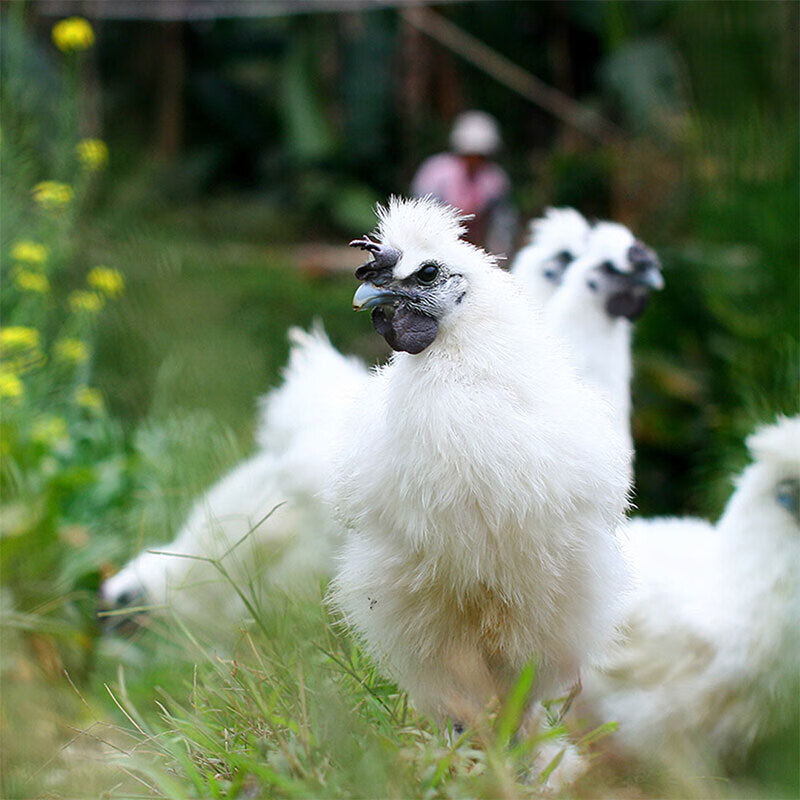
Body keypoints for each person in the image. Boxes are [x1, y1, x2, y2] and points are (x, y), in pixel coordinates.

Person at [411, 111, 517, 257]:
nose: (474, 161)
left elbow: (503, 224)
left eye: (480, 156)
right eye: (469, 155)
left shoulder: (495, 180)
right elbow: (421, 215)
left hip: (476, 252)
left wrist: (496, 257)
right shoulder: (435, 174)